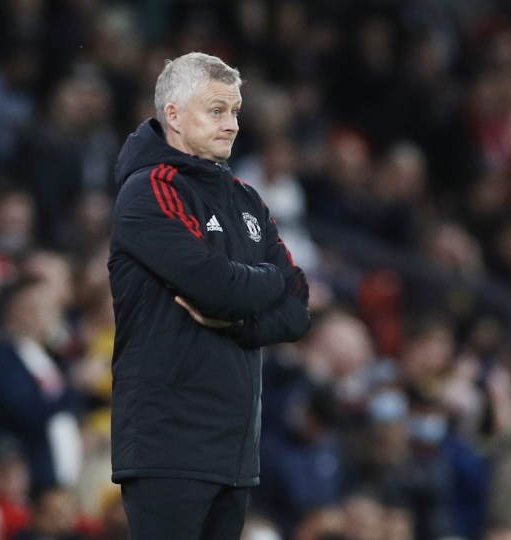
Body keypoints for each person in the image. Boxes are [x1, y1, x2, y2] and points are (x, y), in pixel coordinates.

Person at [108, 51, 311, 540]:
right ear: (174, 115)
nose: (233, 124)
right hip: (168, 443)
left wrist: (240, 322)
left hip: (234, 449)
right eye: (217, 110)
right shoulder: (150, 190)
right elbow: (218, 287)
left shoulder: (246, 198)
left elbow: (298, 308)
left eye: (235, 111)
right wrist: (269, 279)